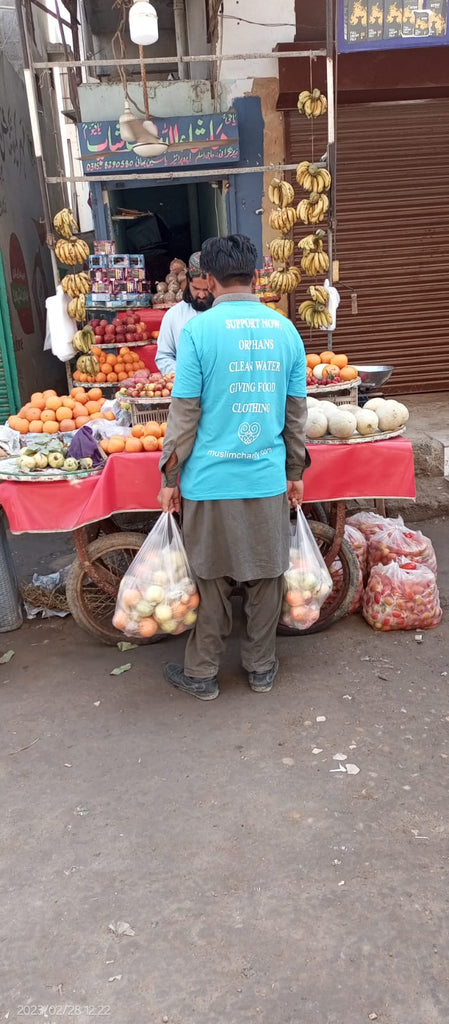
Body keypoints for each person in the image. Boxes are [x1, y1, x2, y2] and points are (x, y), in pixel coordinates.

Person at [158, 234, 310, 701]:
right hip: (263, 479)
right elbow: (295, 414)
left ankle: (203, 674)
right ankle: (261, 668)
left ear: (210, 278)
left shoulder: (197, 333)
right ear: (256, 275)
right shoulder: (285, 331)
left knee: (210, 576)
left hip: (209, 480)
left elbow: (184, 413)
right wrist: (295, 473)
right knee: (267, 574)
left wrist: (169, 476)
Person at [155, 252, 213, 374]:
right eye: (196, 289)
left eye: (206, 290)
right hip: (185, 387)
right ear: (187, 282)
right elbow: (163, 356)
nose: (201, 295)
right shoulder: (173, 315)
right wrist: (185, 375)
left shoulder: (224, 314)